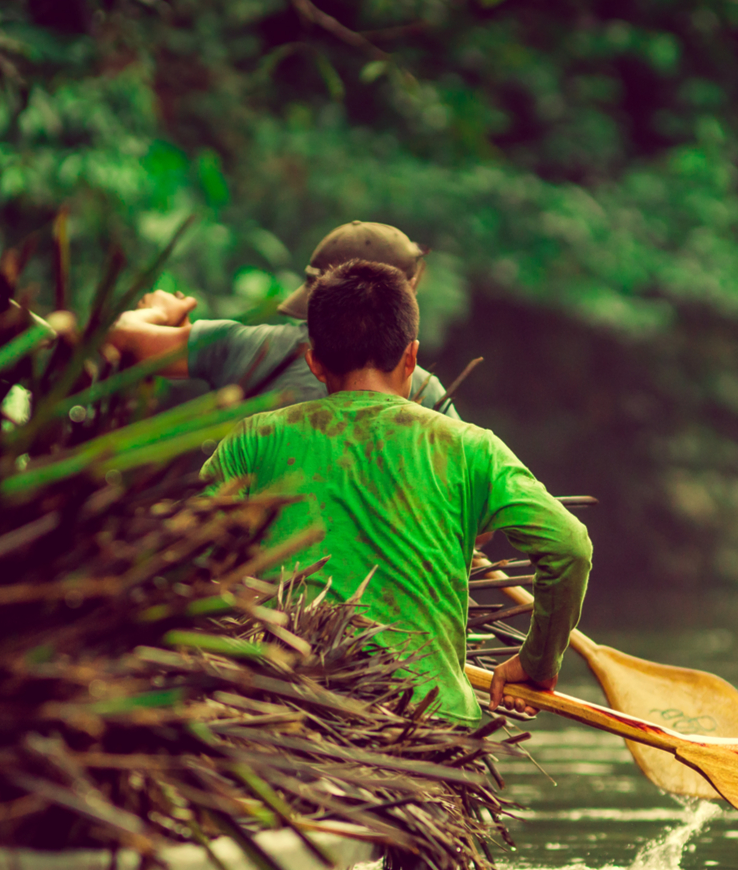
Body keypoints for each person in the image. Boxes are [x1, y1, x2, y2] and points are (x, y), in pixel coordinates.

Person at [201, 259, 591, 725]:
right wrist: (537, 663)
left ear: (314, 361)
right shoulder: (469, 448)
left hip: (284, 719)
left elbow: (185, 554)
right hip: (429, 724)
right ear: (412, 357)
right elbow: (569, 547)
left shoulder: (252, 440)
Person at [107, 221, 459, 414]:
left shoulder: (253, 348)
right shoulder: (425, 391)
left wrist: (161, 311)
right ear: (405, 293)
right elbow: (477, 520)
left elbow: (123, 337)